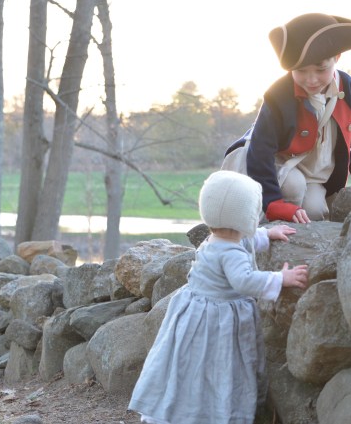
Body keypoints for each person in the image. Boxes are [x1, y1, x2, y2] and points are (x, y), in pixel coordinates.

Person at [128, 170, 309, 424]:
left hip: (199, 312)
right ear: (245, 217)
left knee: (193, 367)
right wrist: (280, 278)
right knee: (217, 365)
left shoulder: (221, 238)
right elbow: (244, 280)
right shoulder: (229, 252)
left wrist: (266, 235)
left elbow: (246, 239)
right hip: (215, 320)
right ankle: (213, 413)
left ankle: (195, 408)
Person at [222, 12, 351, 224]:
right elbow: (261, 150)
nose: (311, 79)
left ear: (337, 58)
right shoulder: (278, 94)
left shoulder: (348, 87)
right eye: (301, 71)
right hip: (276, 164)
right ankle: (266, 237)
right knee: (293, 186)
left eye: (320, 69)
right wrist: (273, 202)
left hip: (314, 171)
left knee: (314, 211)